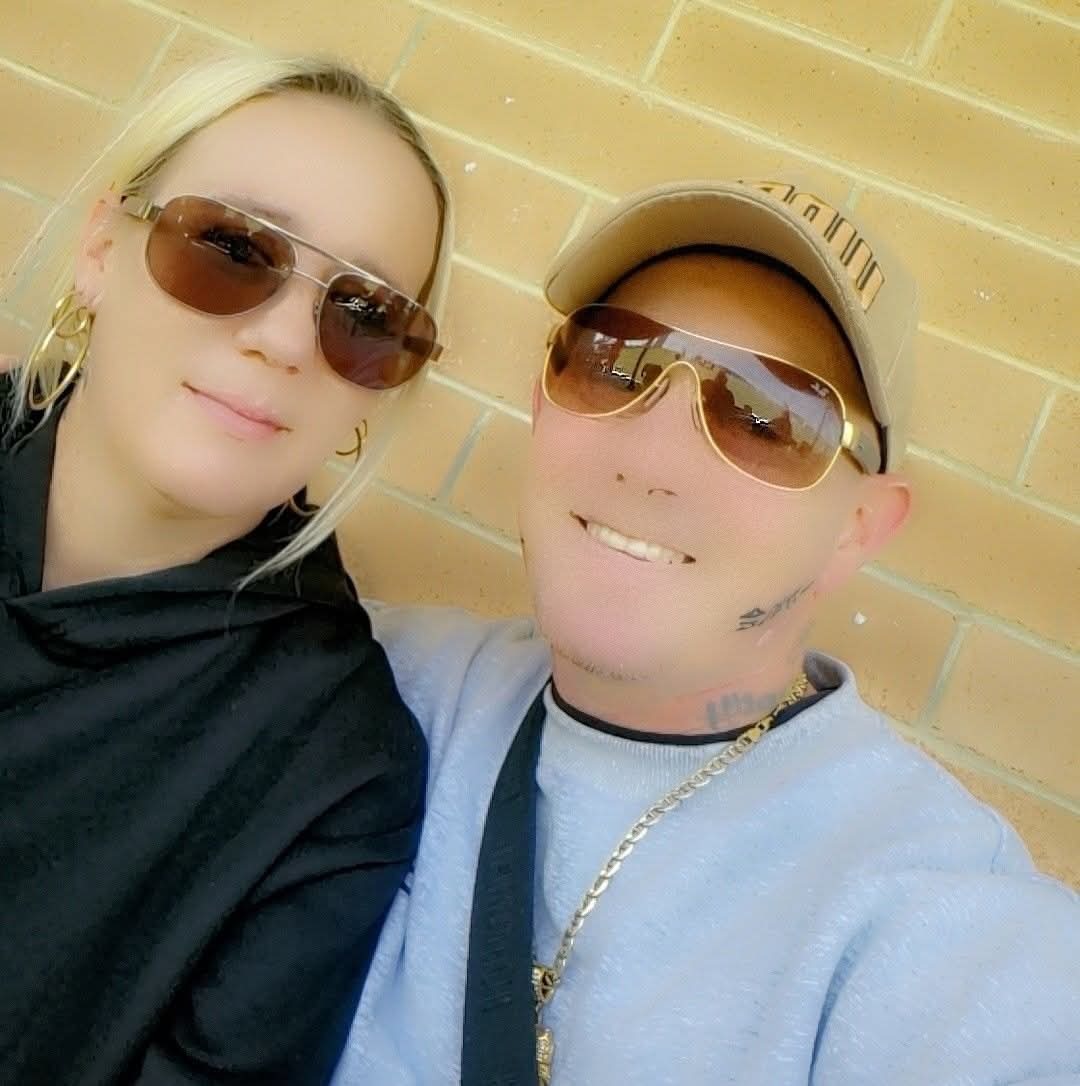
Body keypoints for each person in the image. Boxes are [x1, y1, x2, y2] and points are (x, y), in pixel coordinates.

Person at [332, 179, 1080, 1085]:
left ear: (857, 530)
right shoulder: (367, 677)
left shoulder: (927, 905)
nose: (653, 459)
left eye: (768, 417)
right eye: (614, 361)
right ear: (541, 402)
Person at [0, 53, 452, 1085]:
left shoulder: (334, 770)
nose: (285, 339)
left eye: (364, 315)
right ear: (101, 250)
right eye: (233, 248)